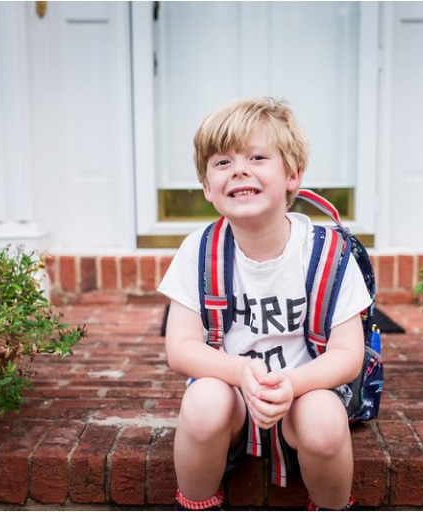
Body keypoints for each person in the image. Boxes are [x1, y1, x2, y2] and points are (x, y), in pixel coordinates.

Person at [158, 97, 371, 511]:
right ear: (206, 186)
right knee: (202, 405)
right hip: (231, 396)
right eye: (222, 163)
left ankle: (331, 506)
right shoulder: (198, 252)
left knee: (325, 423)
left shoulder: (330, 254)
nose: (239, 169)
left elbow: (349, 354)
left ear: (293, 175)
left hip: (307, 392)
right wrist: (239, 371)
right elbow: (180, 348)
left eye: (257, 157)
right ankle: (198, 503)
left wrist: (293, 384)